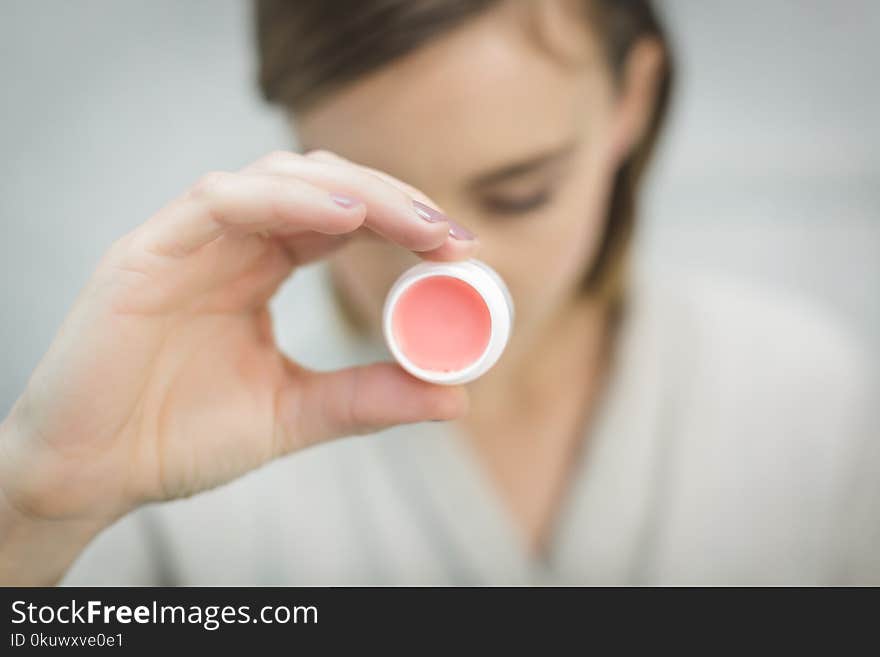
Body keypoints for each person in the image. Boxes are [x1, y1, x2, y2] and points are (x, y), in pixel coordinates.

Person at [1, 0, 877, 586]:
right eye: (371, 209)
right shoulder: (172, 445)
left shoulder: (807, 397)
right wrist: (39, 504)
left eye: (519, 192)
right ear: (301, 142)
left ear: (631, 103)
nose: (447, 265)